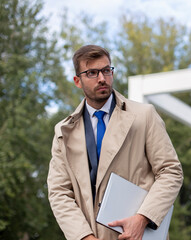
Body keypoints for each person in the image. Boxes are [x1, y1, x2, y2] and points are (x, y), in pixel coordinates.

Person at [47, 45, 183, 240]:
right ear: (78, 81)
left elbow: (171, 171)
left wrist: (143, 218)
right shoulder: (63, 131)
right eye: (92, 73)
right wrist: (83, 237)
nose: (102, 78)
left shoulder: (144, 116)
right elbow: (59, 192)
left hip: (139, 235)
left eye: (106, 70)